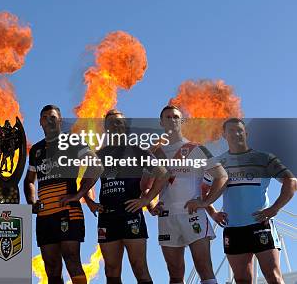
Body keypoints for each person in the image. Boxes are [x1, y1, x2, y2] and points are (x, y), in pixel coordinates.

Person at [24, 104, 103, 284]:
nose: (49, 121)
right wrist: (32, 201)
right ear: (40, 123)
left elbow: (96, 166)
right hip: (44, 216)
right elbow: (29, 180)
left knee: (71, 260)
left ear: (60, 120)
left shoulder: (73, 141)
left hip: (68, 212)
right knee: (51, 267)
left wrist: (79, 194)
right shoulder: (36, 150)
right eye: (45, 118)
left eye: (53, 117)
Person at [211, 118, 296, 284]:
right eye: (231, 131)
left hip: (260, 225)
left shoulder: (264, 158)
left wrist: (275, 208)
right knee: (242, 280)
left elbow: (291, 181)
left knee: (273, 277)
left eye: (239, 130)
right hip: (233, 228)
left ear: (246, 133)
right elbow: (202, 190)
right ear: (224, 135)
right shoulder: (217, 163)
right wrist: (212, 212)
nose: (236, 134)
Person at [152, 105, 228, 284]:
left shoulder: (196, 149)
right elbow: (145, 186)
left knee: (204, 268)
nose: (172, 120)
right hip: (166, 217)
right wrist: (150, 205)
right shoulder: (155, 152)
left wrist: (205, 202)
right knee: (175, 274)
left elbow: (222, 176)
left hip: (193, 216)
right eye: (168, 117)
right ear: (161, 122)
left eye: (175, 117)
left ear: (182, 121)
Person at [92, 109, 167, 284]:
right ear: (106, 128)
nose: (115, 126)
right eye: (110, 123)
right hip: (107, 218)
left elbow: (162, 174)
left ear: (126, 126)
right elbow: (86, 182)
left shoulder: (138, 150)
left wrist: (146, 200)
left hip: (131, 215)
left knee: (139, 267)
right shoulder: (100, 154)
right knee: (111, 271)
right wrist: (90, 201)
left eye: (119, 122)